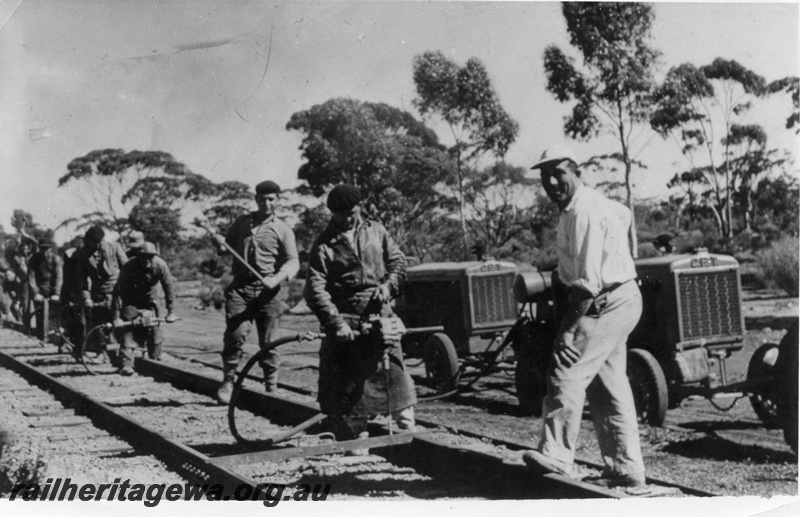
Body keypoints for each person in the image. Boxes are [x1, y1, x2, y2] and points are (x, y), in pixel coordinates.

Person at [523, 145, 646, 489]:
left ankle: (558, 454)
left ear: (576, 172)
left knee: (565, 367)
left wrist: (566, 330)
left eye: (559, 172)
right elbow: (622, 214)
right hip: (621, 297)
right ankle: (627, 468)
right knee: (608, 385)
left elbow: (587, 284)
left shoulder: (583, 211)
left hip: (607, 299)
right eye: (545, 175)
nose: (551, 181)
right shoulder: (581, 207)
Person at [304, 184, 416, 447]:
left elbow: (398, 262)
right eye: (340, 214)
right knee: (350, 382)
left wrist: (388, 286)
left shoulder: (377, 231)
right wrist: (335, 322)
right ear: (331, 213)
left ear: (360, 207)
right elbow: (315, 290)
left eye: (352, 212)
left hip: (381, 313)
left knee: (394, 371)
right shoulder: (323, 245)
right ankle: (355, 437)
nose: (347, 218)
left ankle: (404, 420)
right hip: (346, 318)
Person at [211, 180, 299, 403]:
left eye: (271, 199)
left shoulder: (283, 229)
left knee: (269, 342)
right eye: (262, 199)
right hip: (240, 288)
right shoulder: (242, 222)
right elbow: (225, 249)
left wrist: (277, 278)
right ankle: (228, 381)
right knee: (235, 336)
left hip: (269, 292)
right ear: (256, 199)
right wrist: (219, 242)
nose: (266, 203)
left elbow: (293, 262)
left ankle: (271, 387)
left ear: (278, 201)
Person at [112, 242, 177, 376]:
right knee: (128, 330)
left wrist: (171, 311)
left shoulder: (160, 265)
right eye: (144, 257)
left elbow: (169, 287)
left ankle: (156, 360)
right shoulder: (128, 267)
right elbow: (117, 292)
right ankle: (126, 363)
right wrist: (116, 317)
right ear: (138, 256)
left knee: (154, 330)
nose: (147, 260)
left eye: (150, 257)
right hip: (131, 301)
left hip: (151, 302)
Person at [74, 225, 128, 357]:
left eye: (98, 242)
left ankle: (123, 354)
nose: (96, 245)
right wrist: (86, 297)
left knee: (119, 324)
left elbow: (127, 270)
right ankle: (102, 352)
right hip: (98, 293)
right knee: (100, 325)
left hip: (117, 291)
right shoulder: (84, 255)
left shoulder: (114, 248)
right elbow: (82, 280)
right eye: (93, 243)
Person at [28, 238, 63, 339]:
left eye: (47, 249)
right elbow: (31, 277)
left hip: (52, 289)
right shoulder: (33, 260)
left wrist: (56, 293)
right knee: (39, 313)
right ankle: (41, 337)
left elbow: (58, 276)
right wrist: (35, 293)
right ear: (39, 249)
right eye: (43, 249)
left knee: (54, 314)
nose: (45, 252)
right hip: (40, 289)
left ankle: (53, 336)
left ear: (51, 249)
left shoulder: (55, 259)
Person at [60, 236, 85, 347]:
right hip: (72, 292)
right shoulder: (71, 255)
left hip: (81, 291)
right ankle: (75, 346)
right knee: (75, 321)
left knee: (79, 321)